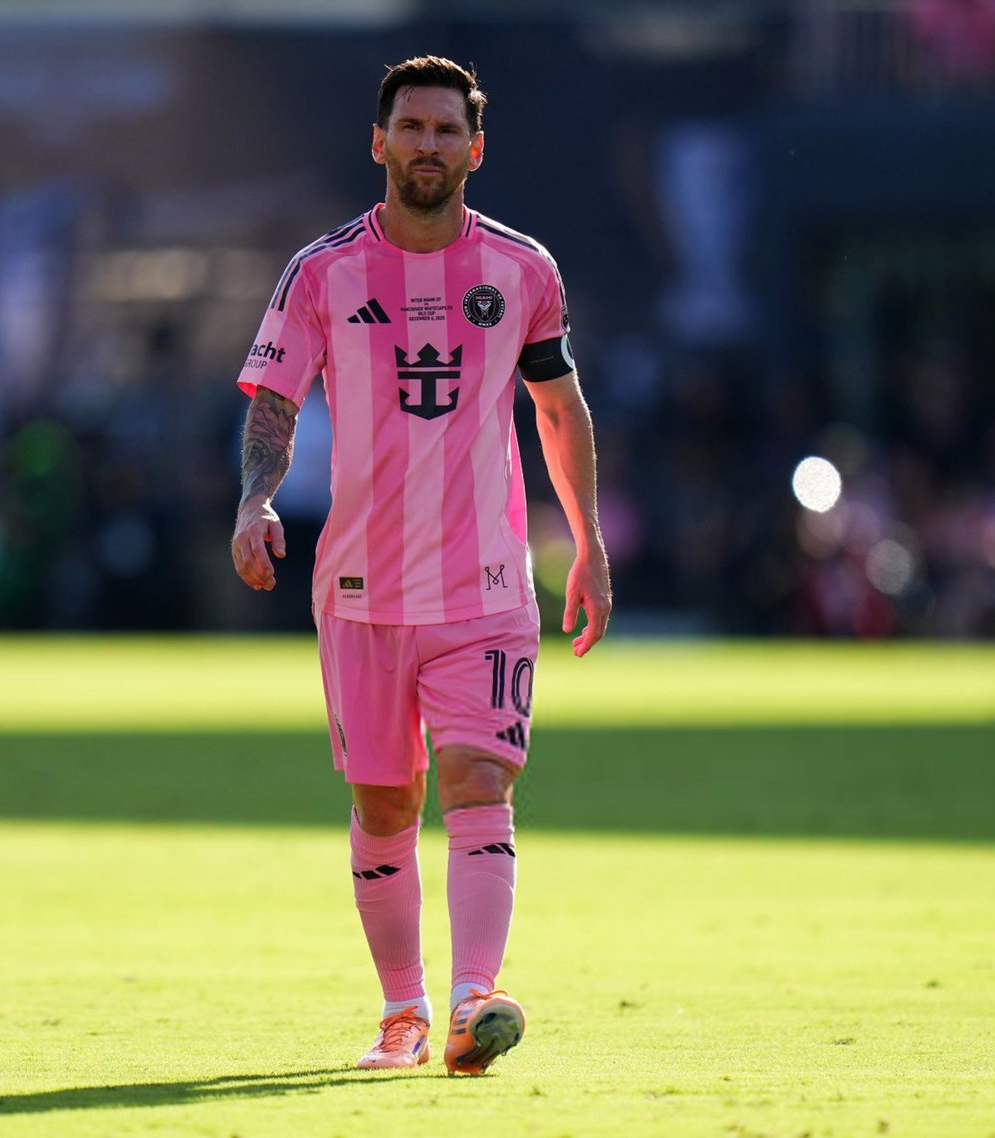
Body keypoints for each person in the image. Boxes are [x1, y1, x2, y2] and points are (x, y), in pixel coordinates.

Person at [230, 55, 611, 1076]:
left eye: (447, 130)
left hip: (486, 586)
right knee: (385, 804)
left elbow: (558, 408)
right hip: (360, 589)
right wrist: (256, 500)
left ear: (475, 150)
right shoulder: (321, 272)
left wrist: (587, 541)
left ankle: (474, 1000)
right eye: (412, 127)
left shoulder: (523, 270)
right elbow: (275, 403)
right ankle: (402, 1010)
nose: (428, 145)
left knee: (480, 778)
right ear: (379, 143)